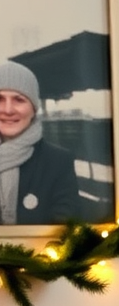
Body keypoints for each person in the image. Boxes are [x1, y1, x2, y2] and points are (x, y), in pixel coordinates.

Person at [0, 59, 81, 226]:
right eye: (0, 99)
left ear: (33, 109)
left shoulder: (59, 162)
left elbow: (64, 234)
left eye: (19, 99)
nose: (8, 110)